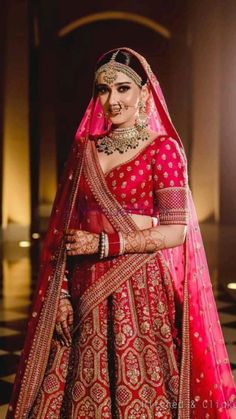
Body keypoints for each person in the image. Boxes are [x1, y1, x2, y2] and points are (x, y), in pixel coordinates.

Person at [6, 48, 236, 419]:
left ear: (145, 93)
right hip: (83, 286)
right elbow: (66, 228)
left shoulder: (164, 151)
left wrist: (104, 243)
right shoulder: (85, 151)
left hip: (140, 290)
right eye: (103, 90)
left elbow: (175, 231)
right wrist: (62, 294)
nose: (113, 101)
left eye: (123, 89)